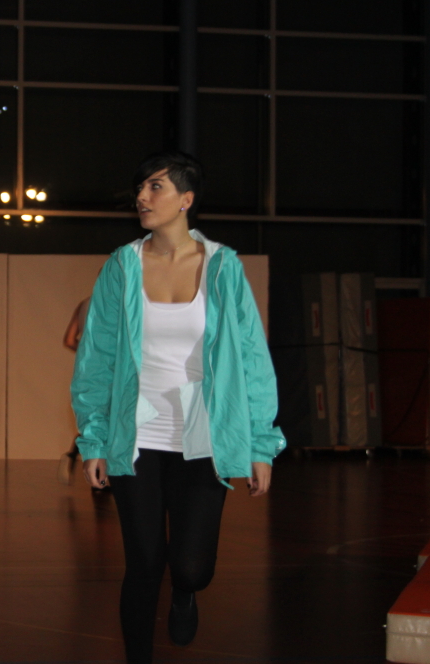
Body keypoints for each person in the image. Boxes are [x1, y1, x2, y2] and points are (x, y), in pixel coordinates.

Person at [70, 151, 285, 664]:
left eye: (155, 187)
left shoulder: (223, 268)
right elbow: (96, 358)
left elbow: (252, 358)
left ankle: (186, 592)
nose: (142, 198)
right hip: (136, 438)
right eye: (140, 188)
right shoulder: (121, 267)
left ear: (186, 199)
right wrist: (94, 439)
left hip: (203, 438)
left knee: (191, 567)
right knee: (144, 563)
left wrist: (260, 443)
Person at [57, 297, 89, 486]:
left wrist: (87, 352)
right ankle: (103, 481)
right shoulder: (119, 302)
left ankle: (72, 454)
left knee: (94, 424)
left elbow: (69, 340)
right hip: (111, 371)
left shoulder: (84, 304)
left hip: (87, 372)